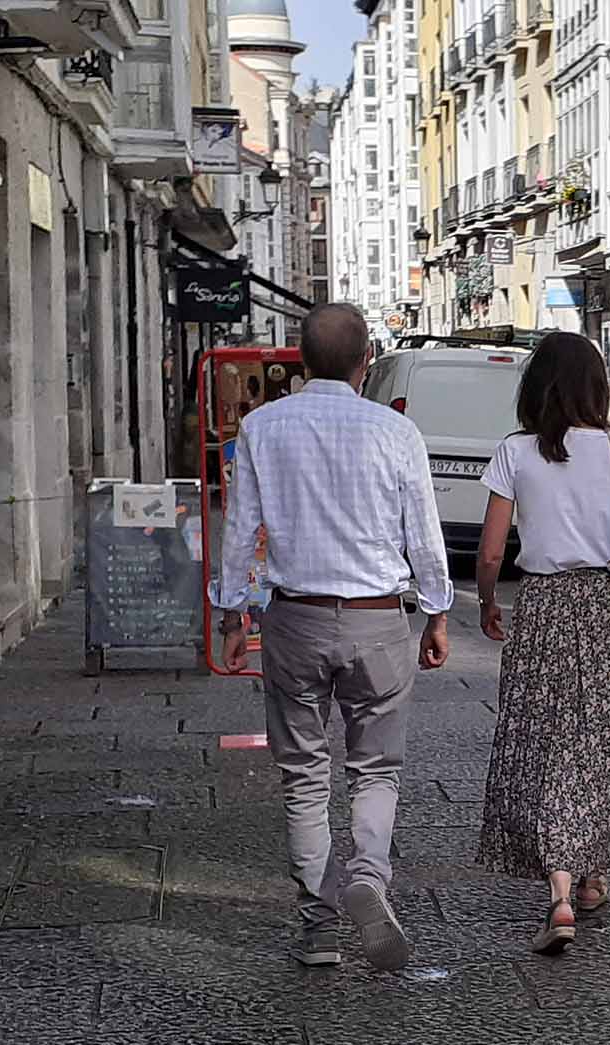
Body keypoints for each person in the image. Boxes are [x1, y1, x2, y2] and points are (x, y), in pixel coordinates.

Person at [211, 302, 455, 971]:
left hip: (294, 617)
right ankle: (367, 880)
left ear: (301, 358)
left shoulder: (262, 427)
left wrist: (233, 617)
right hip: (379, 618)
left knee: (303, 775)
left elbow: (241, 531)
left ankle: (318, 928)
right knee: (376, 768)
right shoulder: (395, 431)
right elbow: (423, 534)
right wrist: (435, 613)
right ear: (365, 362)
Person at [474, 331, 610, 954]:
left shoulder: (515, 451)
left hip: (542, 604)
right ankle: (586, 878)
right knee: (595, 737)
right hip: (603, 609)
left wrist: (485, 601)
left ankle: (561, 889)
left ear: (536, 387)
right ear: (597, 386)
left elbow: (494, 550)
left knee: (542, 738)